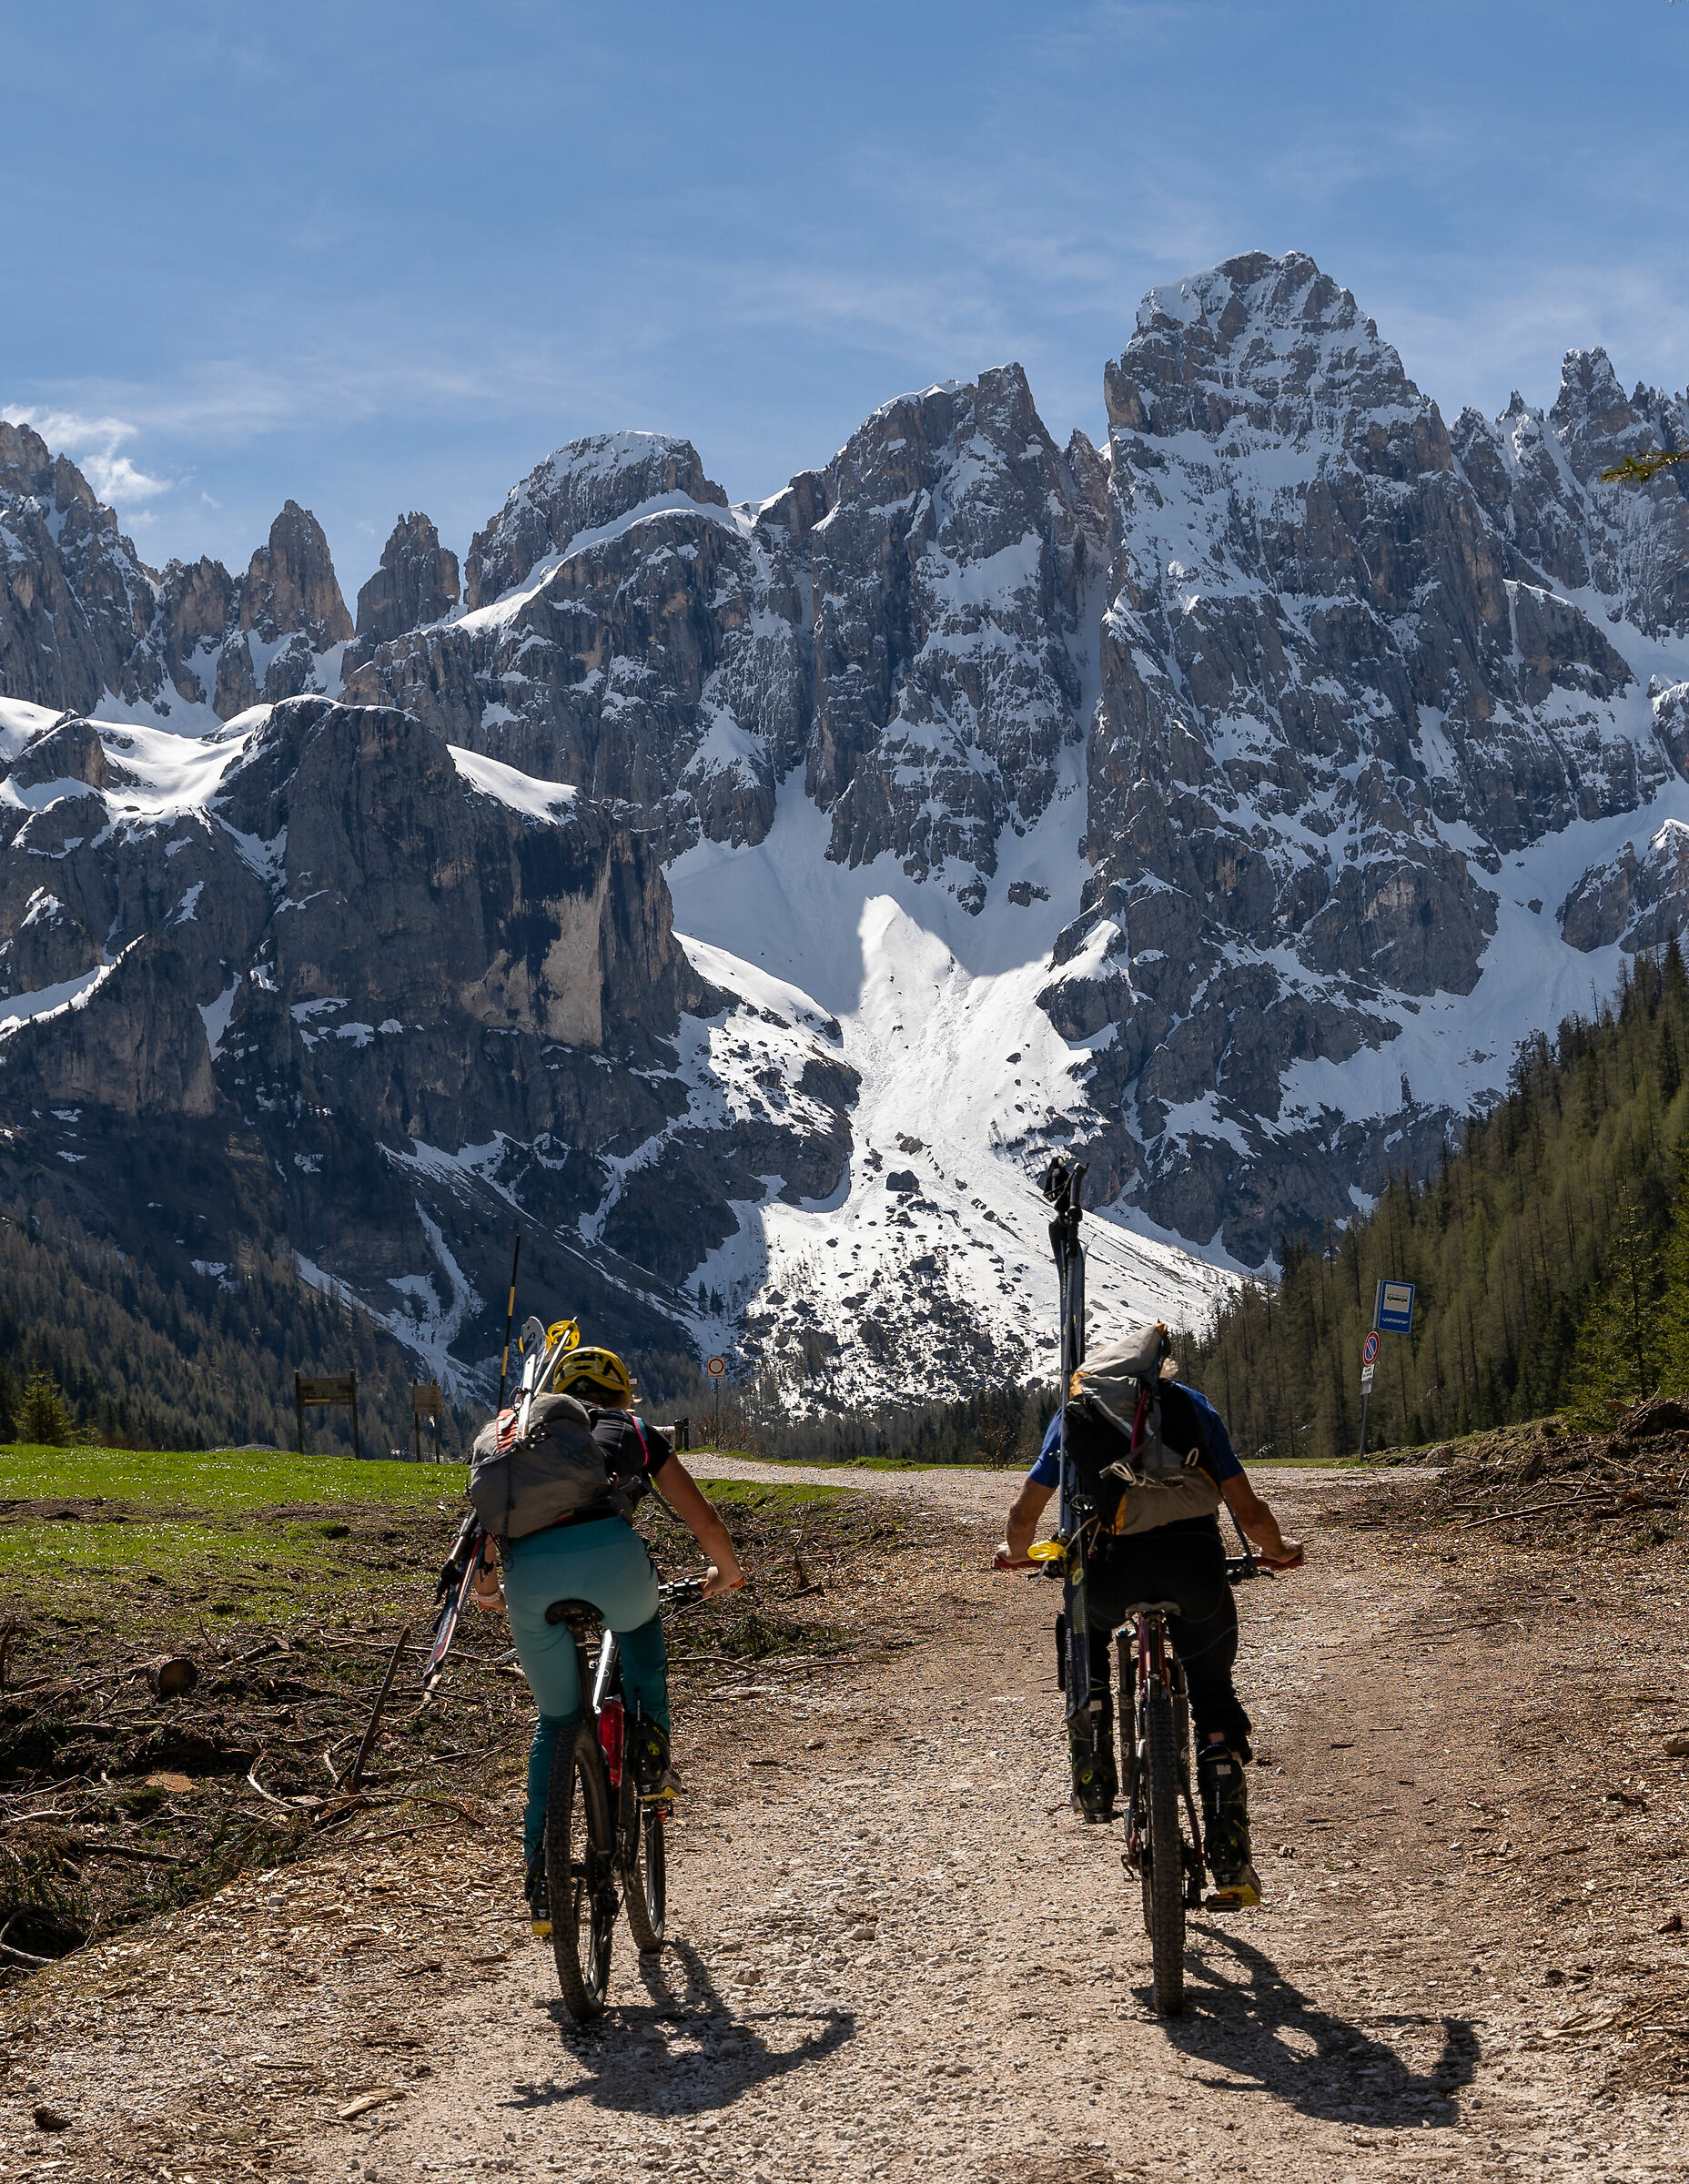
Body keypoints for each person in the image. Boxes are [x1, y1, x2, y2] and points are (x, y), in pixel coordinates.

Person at [996, 1322, 1302, 1908]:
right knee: (1213, 1694)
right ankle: (1232, 1858)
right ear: (1160, 1370)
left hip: (1109, 1569)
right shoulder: (1192, 1409)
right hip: (1194, 1565)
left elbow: (1024, 1513)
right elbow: (1248, 1508)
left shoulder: (1077, 1414)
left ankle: (1092, 1757)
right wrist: (1278, 1551)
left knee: (1081, 1630)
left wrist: (1014, 1554)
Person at [469, 1338, 744, 1935]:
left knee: (556, 1721)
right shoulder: (635, 1432)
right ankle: (649, 1753)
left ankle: (543, 1874)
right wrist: (727, 1570)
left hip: (531, 1580)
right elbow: (704, 1519)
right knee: (641, 1629)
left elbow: (490, 1530)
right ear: (623, 1396)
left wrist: (489, 1589)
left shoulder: (523, 1446)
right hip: (614, 1566)